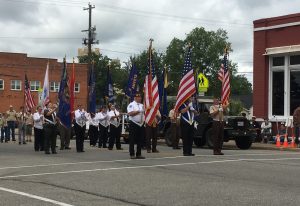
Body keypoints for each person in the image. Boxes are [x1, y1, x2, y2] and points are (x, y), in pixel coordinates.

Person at [127, 93, 145, 159]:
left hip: (141, 124)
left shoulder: (142, 105)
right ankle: (132, 154)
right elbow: (130, 113)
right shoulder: (131, 105)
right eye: (138, 97)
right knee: (132, 139)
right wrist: (138, 111)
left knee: (140, 139)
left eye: (140, 97)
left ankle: (138, 154)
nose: (140, 98)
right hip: (134, 123)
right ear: (135, 98)